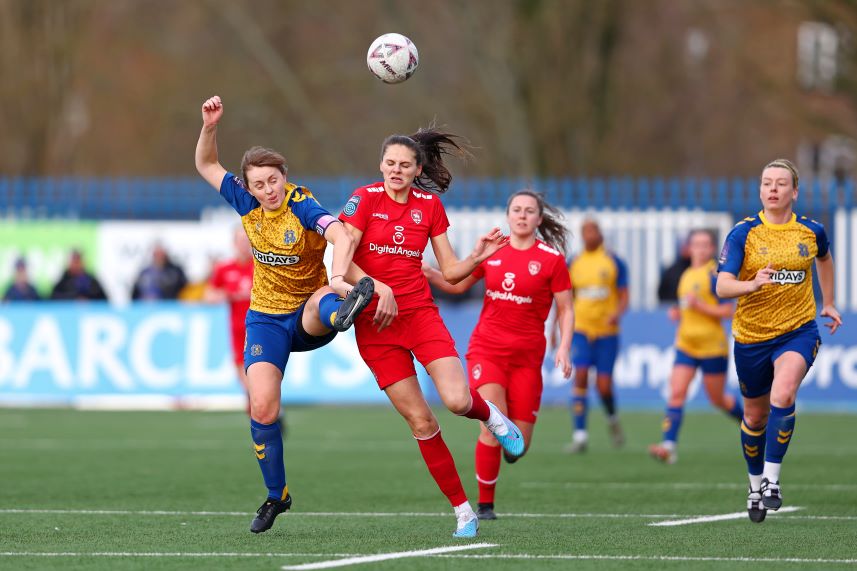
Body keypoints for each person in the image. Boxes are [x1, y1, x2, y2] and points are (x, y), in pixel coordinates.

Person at [195, 95, 374, 534]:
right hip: (265, 320)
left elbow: (337, 231)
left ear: (284, 177)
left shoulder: (301, 203)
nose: (268, 190)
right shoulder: (246, 203)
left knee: (322, 305)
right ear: (249, 187)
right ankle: (278, 496)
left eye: (273, 180)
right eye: (259, 184)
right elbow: (206, 165)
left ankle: (345, 307)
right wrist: (210, 126)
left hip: (308, 313)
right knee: (262, 406)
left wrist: (336, 273)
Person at [338, 127, 526, 538]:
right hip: (375, 325)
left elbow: (452, 274)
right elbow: (343, 253)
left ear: (417, 168)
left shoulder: (430, 206)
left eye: (405, 165)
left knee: (458, 401)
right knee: (422, 422)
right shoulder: (363, 199)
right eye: (390, 164)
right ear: (380, 165)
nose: (396, 171)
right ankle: (463, 511)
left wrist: (478, 256)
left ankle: (492, 417)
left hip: (419, 315)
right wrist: (376, 287)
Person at [423, 190, 574, 521]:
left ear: (538, 219)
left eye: (529, 211)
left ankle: (508, 454)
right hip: (486, 351)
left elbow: (565, 308)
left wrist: (563, 347)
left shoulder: (551, 259)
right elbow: (458, 285)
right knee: (493, 424)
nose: (522, 215)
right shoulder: (494, 251)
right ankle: (485, 505)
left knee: (519, 444)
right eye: (516, 210)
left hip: (528, 360)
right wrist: (428, 273)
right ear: (508, 216)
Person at [716, 158, 841, 523]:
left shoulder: (810, 230)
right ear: (760, 190)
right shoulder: (744, 233)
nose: (773, 189)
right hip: (752, 337)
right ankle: (754, 486)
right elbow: (722, 286)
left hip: (798, 330)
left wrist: (828, 302)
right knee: (755, 417)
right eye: (766, 183)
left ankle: (772, 481)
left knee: (783, 394)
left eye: (780, 183)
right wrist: (752, 283)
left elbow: (825, 258)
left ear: (794, 192)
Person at [648, 229, 743, 465]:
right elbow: (687, 306)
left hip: (712, 347)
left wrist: (700, 306)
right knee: (677, 393)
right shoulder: (687, 274)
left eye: (704, 244)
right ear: (689, 248)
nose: (699, 248)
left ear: (712, 249)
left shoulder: (714, 274)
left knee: (718, 399)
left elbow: (727, 310)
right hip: (686, 344)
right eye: (695, 244)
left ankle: (752, 424)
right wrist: (678, 312)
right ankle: (669, 447)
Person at [566, 218, 628, 452]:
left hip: (607, 333)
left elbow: (624, 295)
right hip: (581, 329)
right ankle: (580, 435)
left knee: (603, 385)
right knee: (580, 376)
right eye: (586, 231)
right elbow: (566, 298)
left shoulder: (613, 261)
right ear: (582, 235)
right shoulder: (574, 262)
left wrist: (617, 313)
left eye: (594, 230)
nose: (590, 235)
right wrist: (556, 329)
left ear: (600, 234)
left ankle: (612, 419)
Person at [205, 227, 255, 412]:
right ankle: (257, 402)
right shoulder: (224, 268)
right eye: (240, 241)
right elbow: (209, 295)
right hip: (237, 328)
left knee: (259, 370)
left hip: (259, 326)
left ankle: (259, 403)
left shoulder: (260, 265)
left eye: (246, 240)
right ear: (234, 244)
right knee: (241, 370)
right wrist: (229, 295)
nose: (243, 245)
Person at [657, 235, 691, 303]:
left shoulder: (705, 270)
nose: (685, 249)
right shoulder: (671, 271)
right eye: (683, 246)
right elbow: (662, 293)